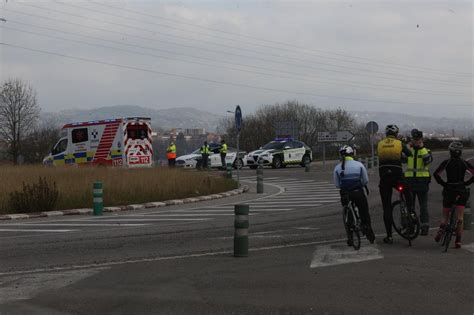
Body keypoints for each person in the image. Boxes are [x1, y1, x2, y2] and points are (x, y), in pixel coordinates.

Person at [433, 142, 473, 248]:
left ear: (450, 152)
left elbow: (436, 174)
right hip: (461, 189)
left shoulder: (447, 162)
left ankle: (441, 229)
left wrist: (444, 184)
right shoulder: (464, 163)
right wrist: (467, 183)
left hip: (449, 189)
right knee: (460, 218)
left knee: (445, 214)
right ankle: (458, 241)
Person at [377, 124, 412, 244]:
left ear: (386, 134)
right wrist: (401, 157)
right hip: (397, 177)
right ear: (396, 134)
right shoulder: (399, 143)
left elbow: (382, 157)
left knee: (386, 207)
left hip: (385, 178)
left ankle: (389, 236)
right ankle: (411, 212)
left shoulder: (380, 144)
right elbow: (409, 154)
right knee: (407, 192)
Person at [333, 145, 375, 245]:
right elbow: (365, 181)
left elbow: (337, 184)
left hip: (345, 194)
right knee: (364, 211)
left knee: (348, 213)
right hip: (357, 192)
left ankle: (350, 237)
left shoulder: (337, 168)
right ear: (352, 154)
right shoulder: (359, 165)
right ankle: (368, 231)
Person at [404, 129, 433, 235]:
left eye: (418, 139)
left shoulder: (426, 151)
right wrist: (406, 147)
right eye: (414, 139)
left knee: (423, 206)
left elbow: (427, 161)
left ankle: (424, 227)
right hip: (410, 182)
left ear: (421, 140)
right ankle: (410, 226)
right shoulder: (410, 151)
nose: (416, 141)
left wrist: (422, 148)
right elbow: (402, 159)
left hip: (422, 182)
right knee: (409, 207)